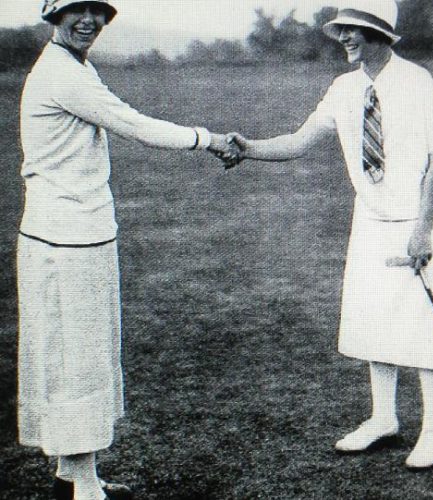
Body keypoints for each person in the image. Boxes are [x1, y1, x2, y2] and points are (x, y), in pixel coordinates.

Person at [227, 0, 433, 469]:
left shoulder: (418, 82)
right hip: (371, 220)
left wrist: (423, 229)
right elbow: (298, 141)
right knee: (374, 319)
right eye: (342, 30)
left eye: (354, 30)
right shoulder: (343, 88)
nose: (345, 38)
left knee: (427, 327)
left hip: (419, 219)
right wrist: (248, 149)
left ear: (380, 34)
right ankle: (383, 418)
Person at [17, 1, 237, 499]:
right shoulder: (60, 73)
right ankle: (83, 490)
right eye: (76, 10)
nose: (88, 20)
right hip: (63, 241)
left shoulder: (77, 65)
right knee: (74, 365)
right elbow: (134, 124)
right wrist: (210, 139)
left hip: (80, 236)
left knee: (85, 362)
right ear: (54, 16)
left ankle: (76, 478)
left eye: (96, 10)